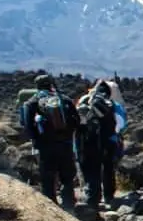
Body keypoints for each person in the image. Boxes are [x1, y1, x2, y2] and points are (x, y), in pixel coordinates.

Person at [21, 74, 80, 207]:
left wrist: (36, 141)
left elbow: (27, 125)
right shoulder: (64, 99)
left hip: (45, 147)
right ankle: (69, 206)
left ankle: (52, 209)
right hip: (65, 145)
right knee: (67, 178)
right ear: (51, 84)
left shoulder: (32, 102)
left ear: (37, 86)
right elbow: (77, 121)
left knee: (48, 178)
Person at [75, 80, 126, 208]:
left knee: (92, 172)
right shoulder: (113, 105)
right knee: (109, 169)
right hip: (108, 143)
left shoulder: (84, 101)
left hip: (87, 143)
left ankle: (92, 200)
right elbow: (121, 124)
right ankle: (109, 197)